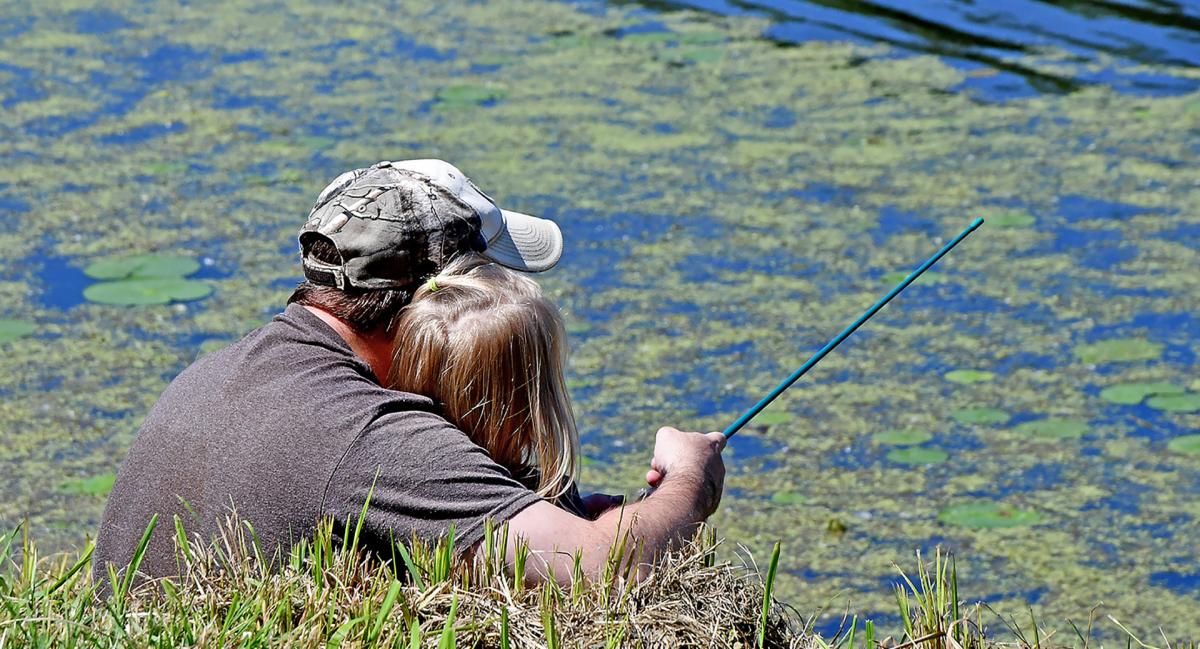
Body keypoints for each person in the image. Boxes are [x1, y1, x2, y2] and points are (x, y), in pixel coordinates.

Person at [93, 159, 726, 587]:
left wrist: (511, 511)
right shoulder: (373, 437)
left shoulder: (213, 373)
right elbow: (602, 571)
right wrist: (688, 481)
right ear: (445, 302)